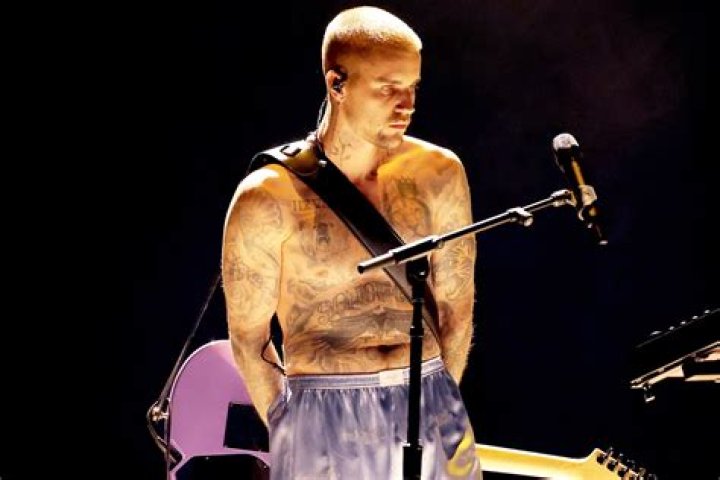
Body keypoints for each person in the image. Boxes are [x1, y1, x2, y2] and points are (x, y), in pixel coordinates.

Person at [221, 6, 481, 479]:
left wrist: (440, 397)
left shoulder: (440, 174)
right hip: (321, 410)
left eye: (413, 87)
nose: (406, 105)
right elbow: (248, 336)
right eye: (387, 89)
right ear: (337, 84)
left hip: (429, 395)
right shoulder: (266, 198)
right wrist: (291, 426)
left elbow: (456, 305)